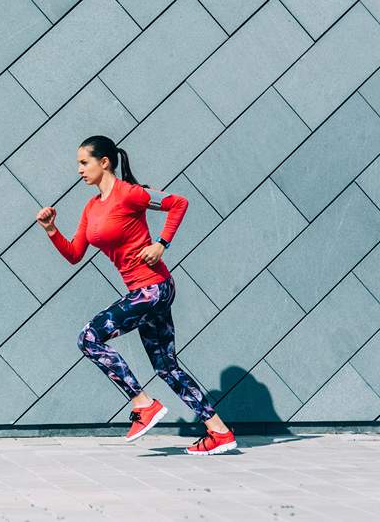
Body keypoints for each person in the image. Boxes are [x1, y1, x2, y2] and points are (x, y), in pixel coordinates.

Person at [35, 135, 237, 456]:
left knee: (89, 338)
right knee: (166, 365)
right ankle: (219, 432)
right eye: (78, 164)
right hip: (144, 291)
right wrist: (51, 230)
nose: (79, 170)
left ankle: (142, 406)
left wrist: (161, 244)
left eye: (84, 162)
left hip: (153, 287)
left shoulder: (129, 194)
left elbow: (177, 203)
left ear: (105, 162)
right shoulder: (91, 208)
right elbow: (75, 253)